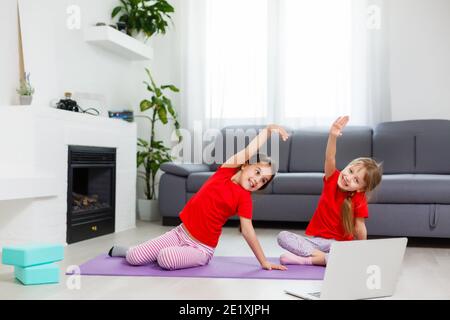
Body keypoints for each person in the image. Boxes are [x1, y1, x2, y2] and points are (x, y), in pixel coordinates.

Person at [109, 125, 290, 271]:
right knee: (134, 258)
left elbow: (247, 231)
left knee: (166, 258)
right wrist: (267, 131)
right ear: (245, 165)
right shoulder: (226, 171)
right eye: (257, 172)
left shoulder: (244, 199)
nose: (257, 180)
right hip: (180, 233)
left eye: (263, 180)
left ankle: (177, 256)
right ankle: (132, 251)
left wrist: (264, 262)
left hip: (201, 248)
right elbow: (249, 149)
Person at [277, 116, 382, 266]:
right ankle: (328, 258)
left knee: (344, 250)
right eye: (350, 171)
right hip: (317, 242)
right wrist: (333, 136)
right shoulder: (333, 177)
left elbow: (360, 226)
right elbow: (330, 158)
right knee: (283, 236)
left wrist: (362, 250)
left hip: (340, 244)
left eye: (356, 180)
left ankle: (307, 260)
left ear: (361, 188)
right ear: (347, 166)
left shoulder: (359, 198)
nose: (348, 178)